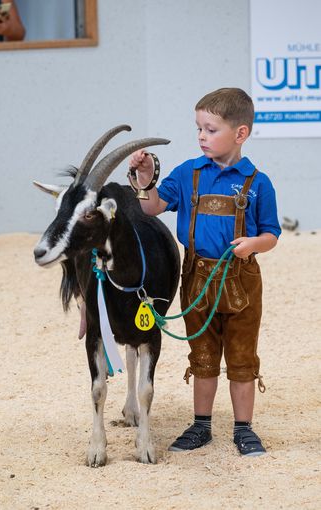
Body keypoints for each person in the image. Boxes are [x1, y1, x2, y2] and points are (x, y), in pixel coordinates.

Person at [128, 87, 281, 457]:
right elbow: (151, 207)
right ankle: (202, 425)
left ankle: (244, 429)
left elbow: (271, 234)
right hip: (196, 278)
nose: (201, 136)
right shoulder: (187, 174)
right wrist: (145, 178)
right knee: (203, 356)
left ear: (240, 133)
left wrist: (253, 245)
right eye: (198, 128)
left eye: (210, 130)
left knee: (242, 358)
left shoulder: (257, 183)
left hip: (241, 280)